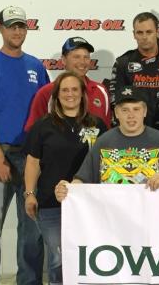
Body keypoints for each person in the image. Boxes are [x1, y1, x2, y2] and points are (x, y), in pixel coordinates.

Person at [24, 71, 106, 284]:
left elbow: (106, 164)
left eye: (75, 89)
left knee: (88, 256)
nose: (70, 94)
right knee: (58, 259)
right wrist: (29, 194)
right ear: (57, 95)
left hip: (90, 205)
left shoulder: (98, 125)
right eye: (65, 90)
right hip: (51, 204)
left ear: (82, 94)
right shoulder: (42, 126)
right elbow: (32, 162)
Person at [0, 6, 49, 284]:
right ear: (0, 28)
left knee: (32, 228)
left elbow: (46, 113)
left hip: (30, 157)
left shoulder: (36, 66)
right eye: (12, 26)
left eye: (22, 27)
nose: (17, 31)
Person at [54, 86, 159, 201]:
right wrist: (67, 188)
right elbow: (82, 180)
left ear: (144, 111)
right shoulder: (103, 141)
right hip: (112, 220)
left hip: (150, 218)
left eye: (136, 109)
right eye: (125, 110)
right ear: (116, 113)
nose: (131, 115)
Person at [110, 12, 159, 133]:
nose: (144, 37)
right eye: (140, 32)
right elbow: (115, 101)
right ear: (134, 34)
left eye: (149, 32)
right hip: (132, 131)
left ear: (158, 32)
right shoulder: (123, 63)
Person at [25, 37, 111, 131]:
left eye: (86, 57)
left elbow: (107, 132)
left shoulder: (101, 90)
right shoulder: (47, 92)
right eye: (76, 57)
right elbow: (33, 132)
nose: (82, 62)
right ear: (64, 60)